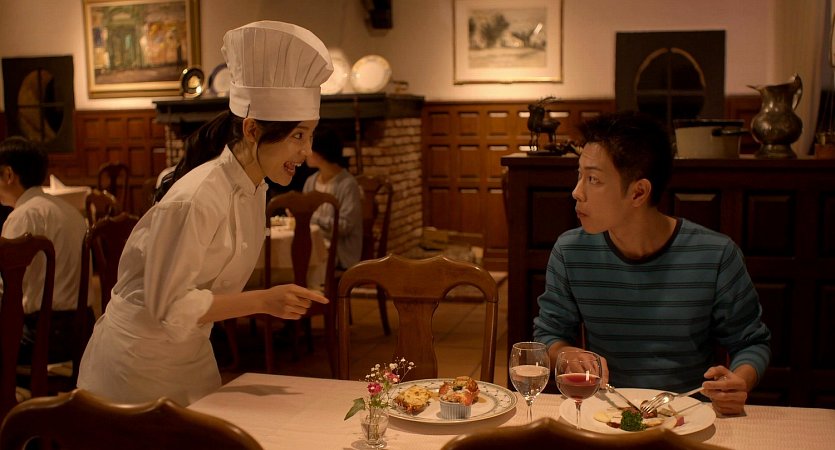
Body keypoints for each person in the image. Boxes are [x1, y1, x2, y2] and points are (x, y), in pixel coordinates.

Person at [77, 20, 334, 406]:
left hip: (190, 356)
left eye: (310, 136)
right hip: (133, 365)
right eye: (298, 135)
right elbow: (170, 306)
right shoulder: (196, 197)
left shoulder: (254, 190)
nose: (306, 151)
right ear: (251, 130)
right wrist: (263, 301)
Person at [532, 111, 771, 416]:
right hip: (604, 416)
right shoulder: (570, 251)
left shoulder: (716, 254)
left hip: (687, 415)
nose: (577, 192)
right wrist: (568, 354)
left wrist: (739, 382)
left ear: (638, 192)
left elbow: (751, 342)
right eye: (579, 176)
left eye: (593, 179)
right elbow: (548, 335)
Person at [0, 136, 89, 364]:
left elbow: (9, 287)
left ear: (8, 175)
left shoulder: (23, 215)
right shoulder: (70, 211)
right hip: (83, 329)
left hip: (43, 335)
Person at [302, 127, 363, 269]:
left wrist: (311, 217)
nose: (305, 152)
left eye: (309, 147)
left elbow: (344, 226)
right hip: (315, 244)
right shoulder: (311, 182)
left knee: (300, 257)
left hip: (339, 252)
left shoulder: (348, 184)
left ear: (321, 153)